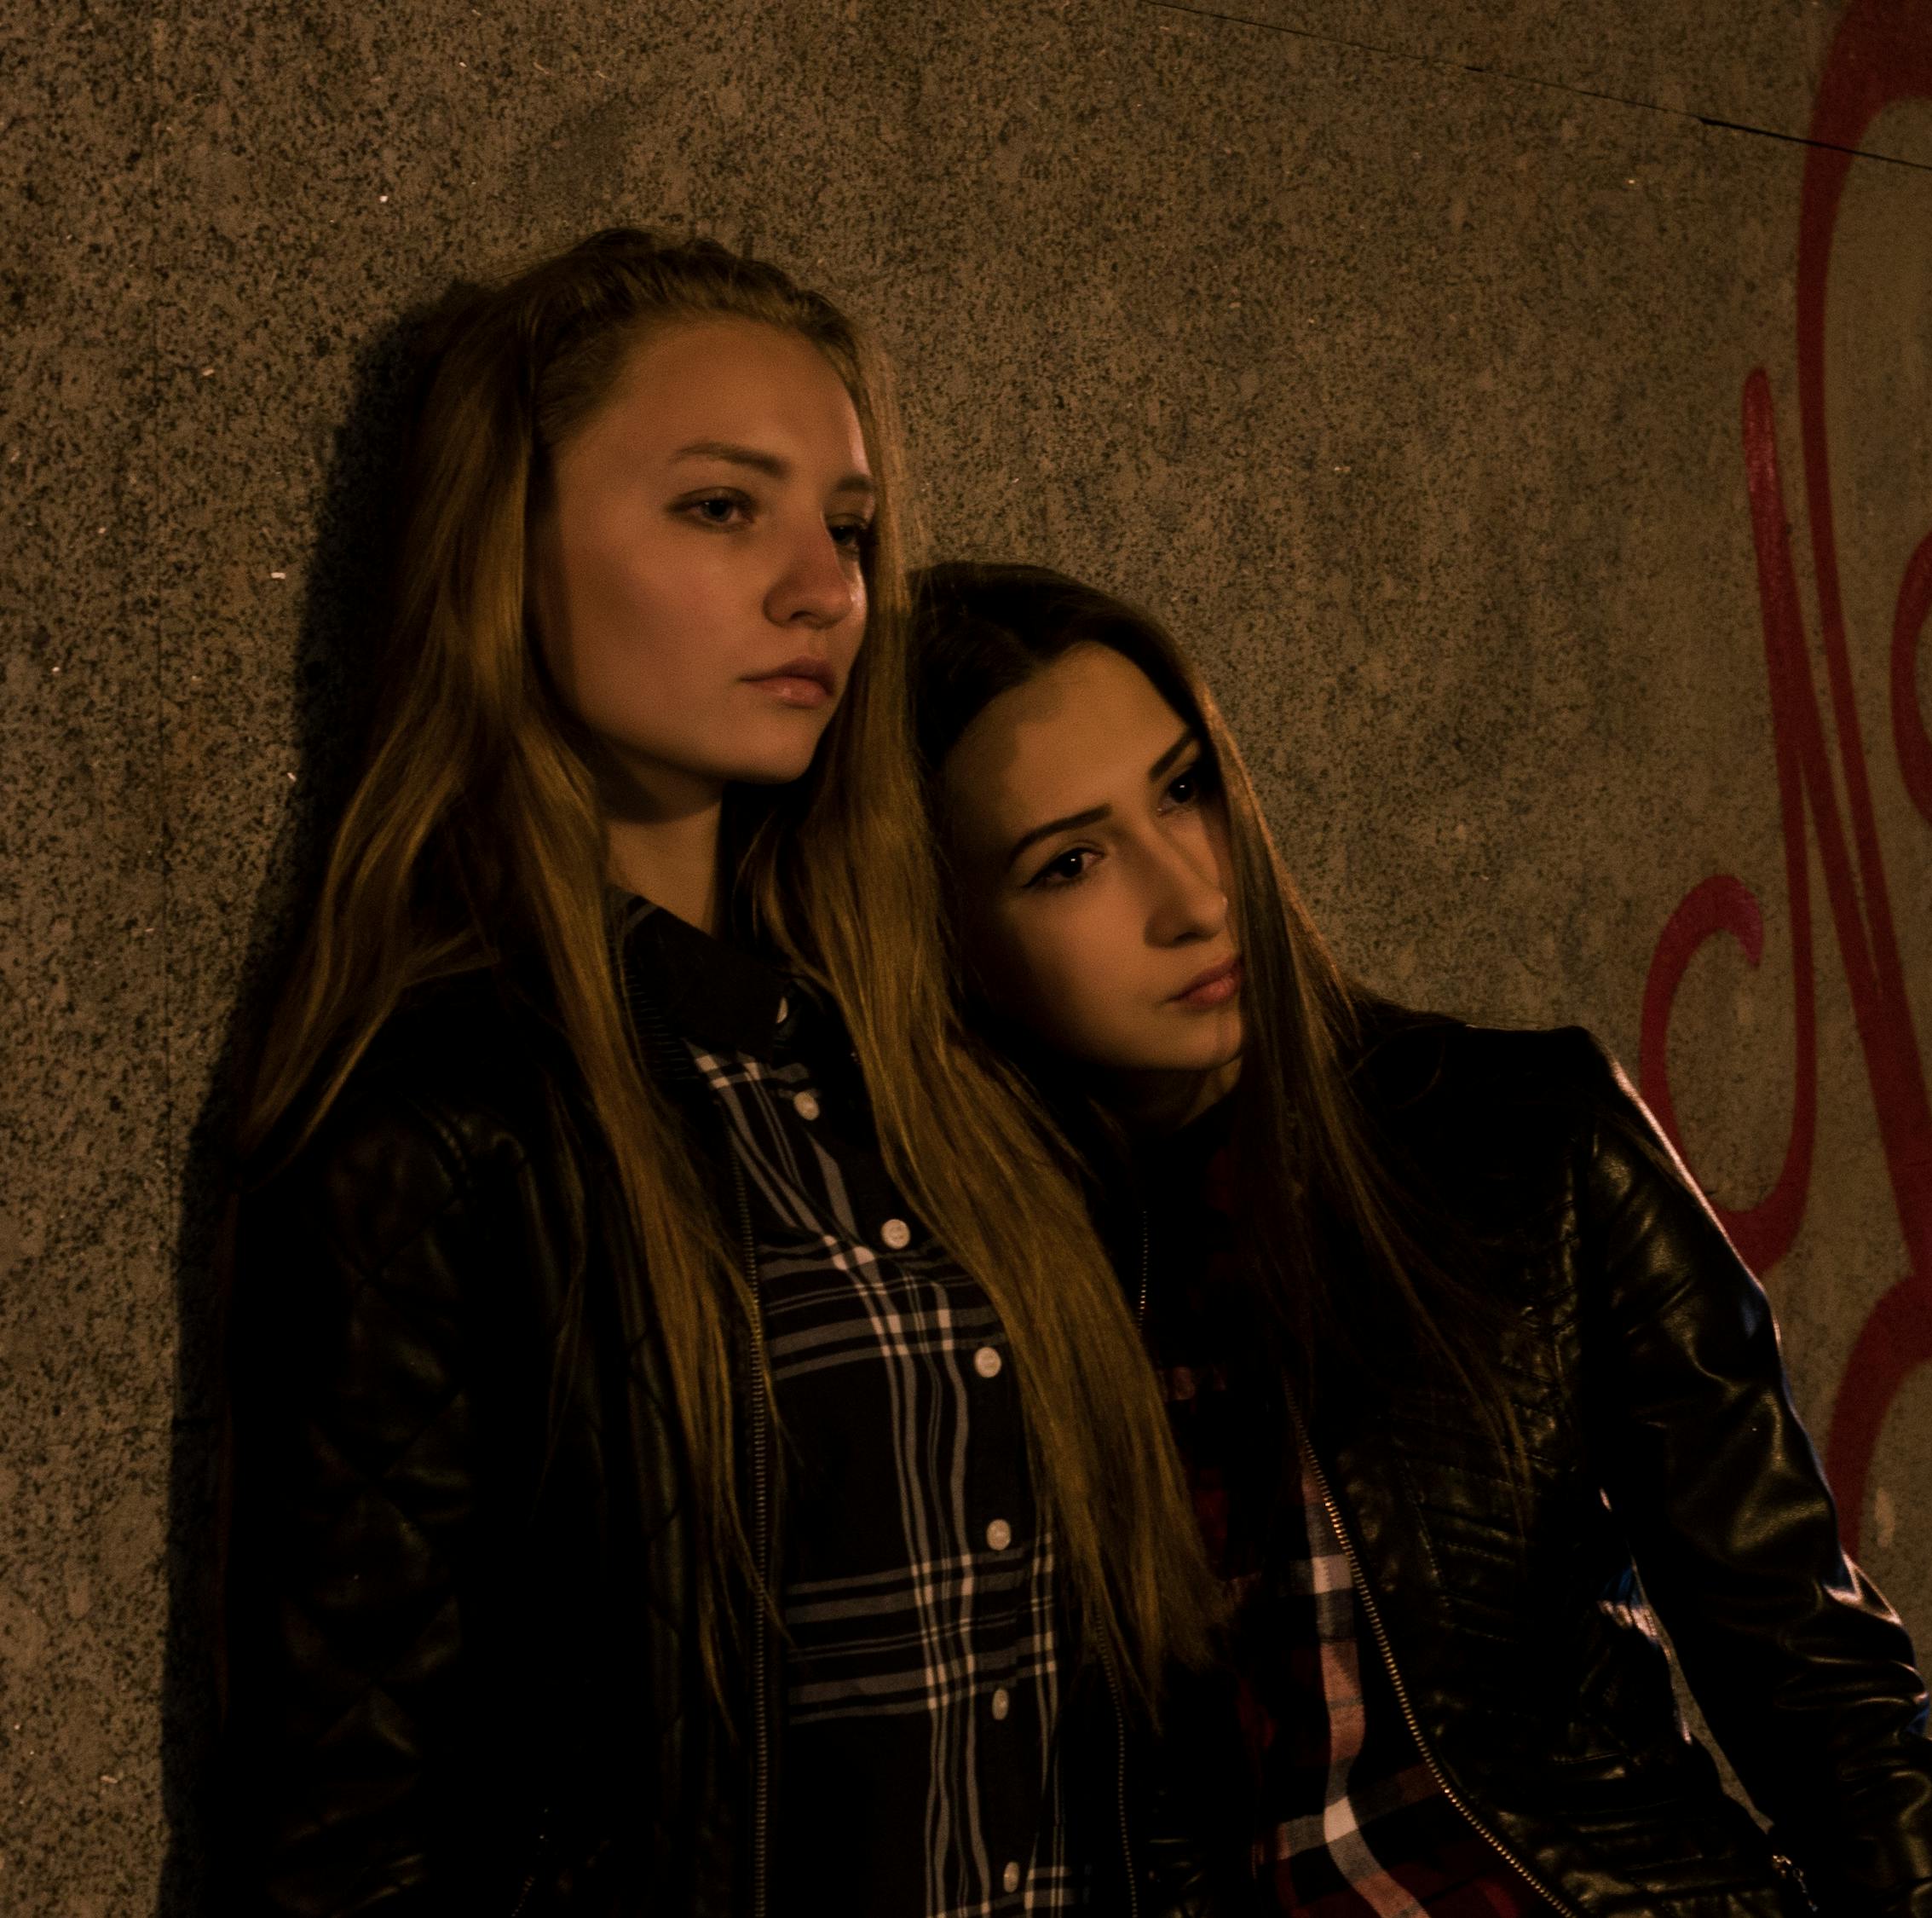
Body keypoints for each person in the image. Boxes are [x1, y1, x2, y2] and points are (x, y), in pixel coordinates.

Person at [219, 235, 1223, 1917]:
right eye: (719, 508)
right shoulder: (443, 1117)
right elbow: (347, 1829)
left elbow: (1138, 1696)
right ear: (507, 545)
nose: (825, 591)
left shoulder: (923, 1069)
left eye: (849, 528)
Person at [909, 561, 1932, 1918]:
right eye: (1069, 862)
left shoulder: (1522, 1139)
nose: (1192, 895)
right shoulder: (945, 1308)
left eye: (1186, 789)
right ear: (942, 937)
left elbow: (1815, 1675)